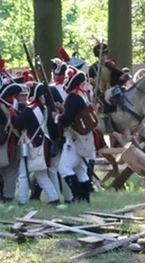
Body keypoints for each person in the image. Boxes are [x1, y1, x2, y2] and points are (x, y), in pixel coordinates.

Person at [57, 70, 98, 204]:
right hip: (84, 138)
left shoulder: (73, 97)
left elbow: (68, 118)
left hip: (75, 138)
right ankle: (85, 200)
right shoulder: (83, 96)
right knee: (80, 170)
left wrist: (57, 117)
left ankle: (78, 197)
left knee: (64, 168)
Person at [15, 83, 60, 205]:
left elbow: (17, 124)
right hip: (41, 145)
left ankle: (22, 201)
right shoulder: (45, 109)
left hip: (32, 145)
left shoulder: (30, 110)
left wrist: (13, 113)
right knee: (41, 175)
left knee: (23, 175)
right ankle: (54, 199)